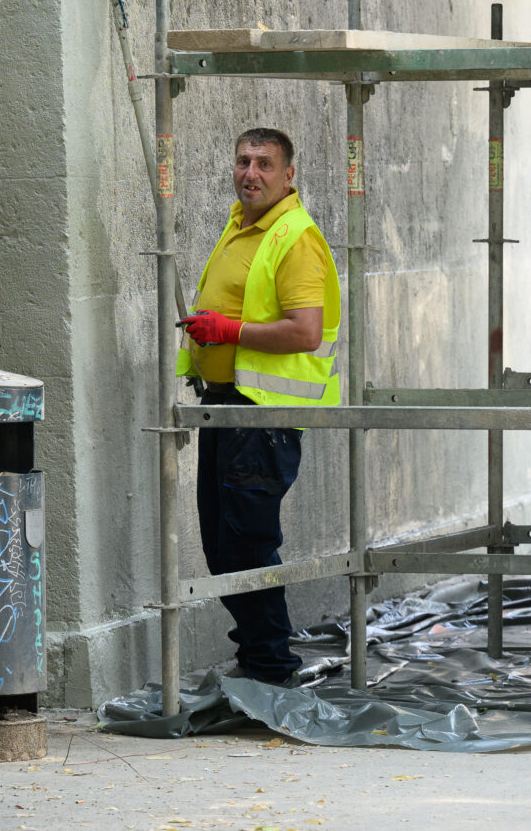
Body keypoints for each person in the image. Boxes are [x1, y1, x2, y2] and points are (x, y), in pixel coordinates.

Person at [175, 128, 341, 685]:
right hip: (226, 408)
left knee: (247, 543)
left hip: (262, 416)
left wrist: (230, 331)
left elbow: (306, 331)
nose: (251, 173)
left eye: (265, 164)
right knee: (222, 546)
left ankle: (271, 668)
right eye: (244, 161)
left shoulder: (294, 237)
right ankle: (257, 659)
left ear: (288, 175)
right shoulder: (240, 226)